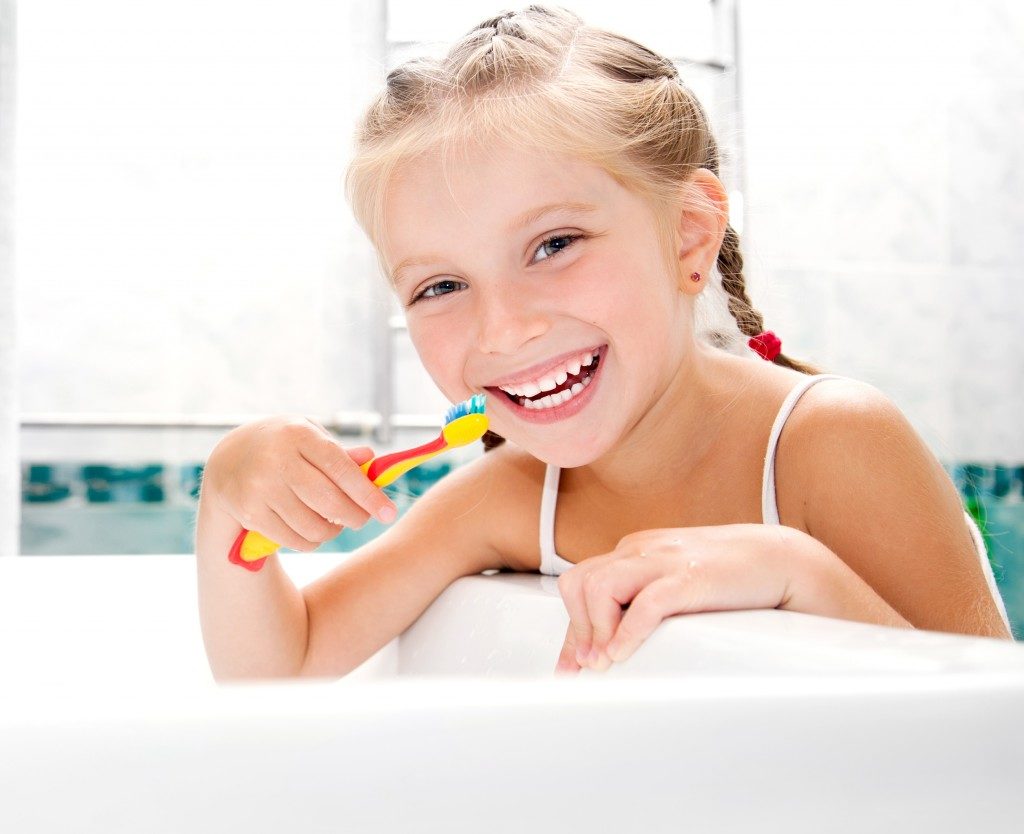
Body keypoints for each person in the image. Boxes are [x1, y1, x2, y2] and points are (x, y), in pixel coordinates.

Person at [195, 5, 1013, 682]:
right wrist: (227, 495)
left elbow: (991, 736)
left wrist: (800, 572)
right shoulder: (510, 496)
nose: (504, 328)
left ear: (690, 237)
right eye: (440, 287)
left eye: (554, 245)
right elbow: (282, 669)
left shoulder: (832, 441)